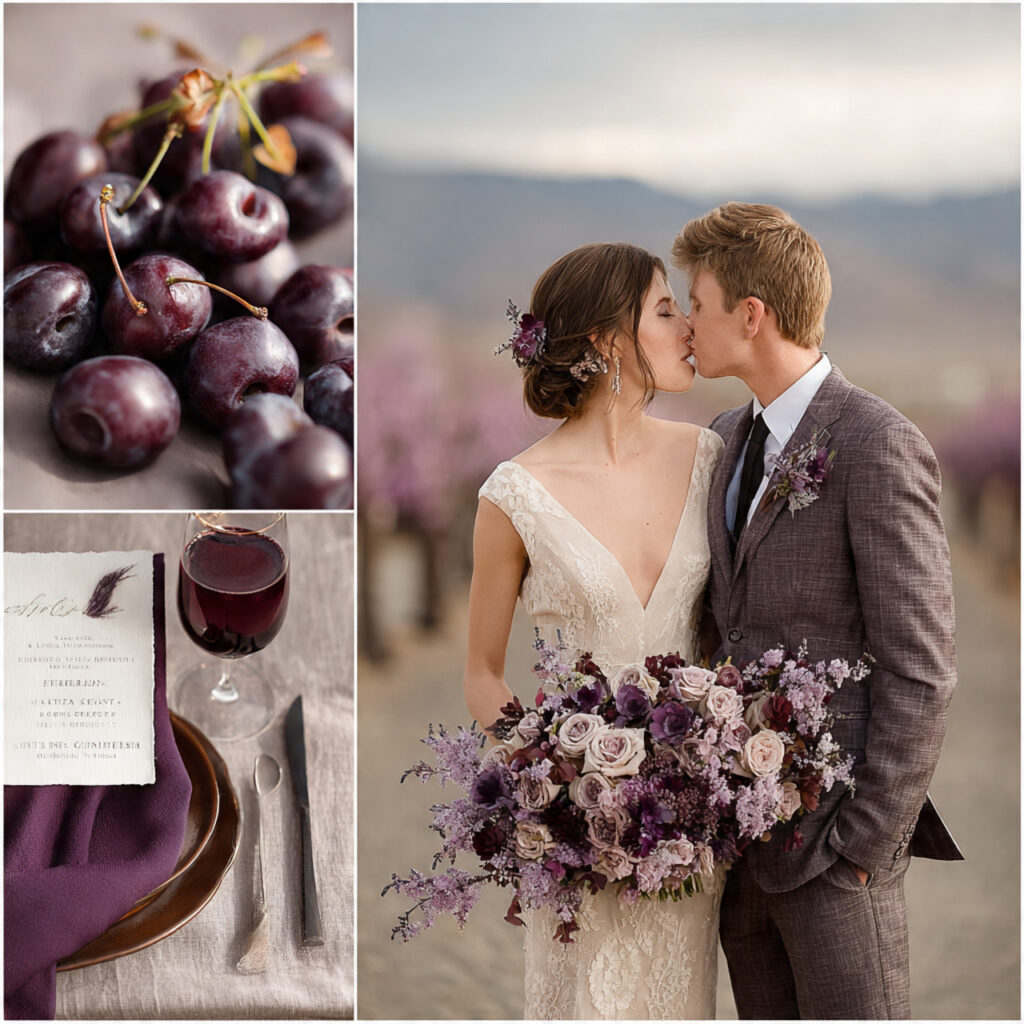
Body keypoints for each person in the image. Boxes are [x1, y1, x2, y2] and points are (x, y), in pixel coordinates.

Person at [672, 202, 962, 1019]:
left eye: (698, 303)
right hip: (740, 850)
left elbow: (922, 668)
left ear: (751, 314)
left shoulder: (877, 443)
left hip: (837, 851)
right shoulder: (727, 436)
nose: (688, 321)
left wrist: (864, 846)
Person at [465, 242, 724, 1019]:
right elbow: (481, 670)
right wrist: (550, 786)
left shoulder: (710, 456)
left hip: (692, 836)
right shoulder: (514, 494)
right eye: (665, 310)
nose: (686, 327)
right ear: (611, 342)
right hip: (581, 843)